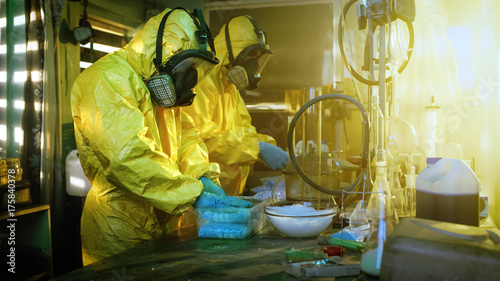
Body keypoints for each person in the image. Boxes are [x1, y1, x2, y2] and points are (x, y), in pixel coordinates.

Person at [71, 8, 252, 266]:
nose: (190, 79)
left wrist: (202, 176)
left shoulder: (158, 85)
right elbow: (128, 157)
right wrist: (193, 193)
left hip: (164, 226)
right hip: (118, 232)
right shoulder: (106, 79)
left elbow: (188, 141)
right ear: (163, 51)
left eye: (198, 69)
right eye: (188, 66)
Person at [183, 15, 288, 196]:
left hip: (227, 193)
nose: (253, 64)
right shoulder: (201, 80)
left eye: (258, 57)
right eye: (250, 56)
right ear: (232, 51)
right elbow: (201, 139)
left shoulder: (229, 87)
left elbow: (244, 132)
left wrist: (276, 150)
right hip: (202, 197)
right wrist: (258, 149)